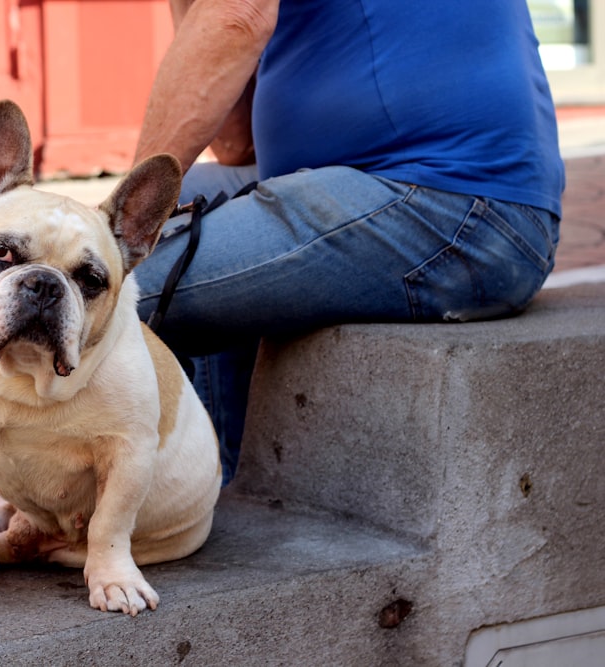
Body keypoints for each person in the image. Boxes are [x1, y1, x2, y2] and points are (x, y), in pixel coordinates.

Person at [130, 0, 565, 483]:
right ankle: (214, 481)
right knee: (185, 200)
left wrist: (118, 224)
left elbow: (238, 15)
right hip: (416, 189)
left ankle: (139, 495)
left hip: (452, 203)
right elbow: (236, 144)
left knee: (104, 286)